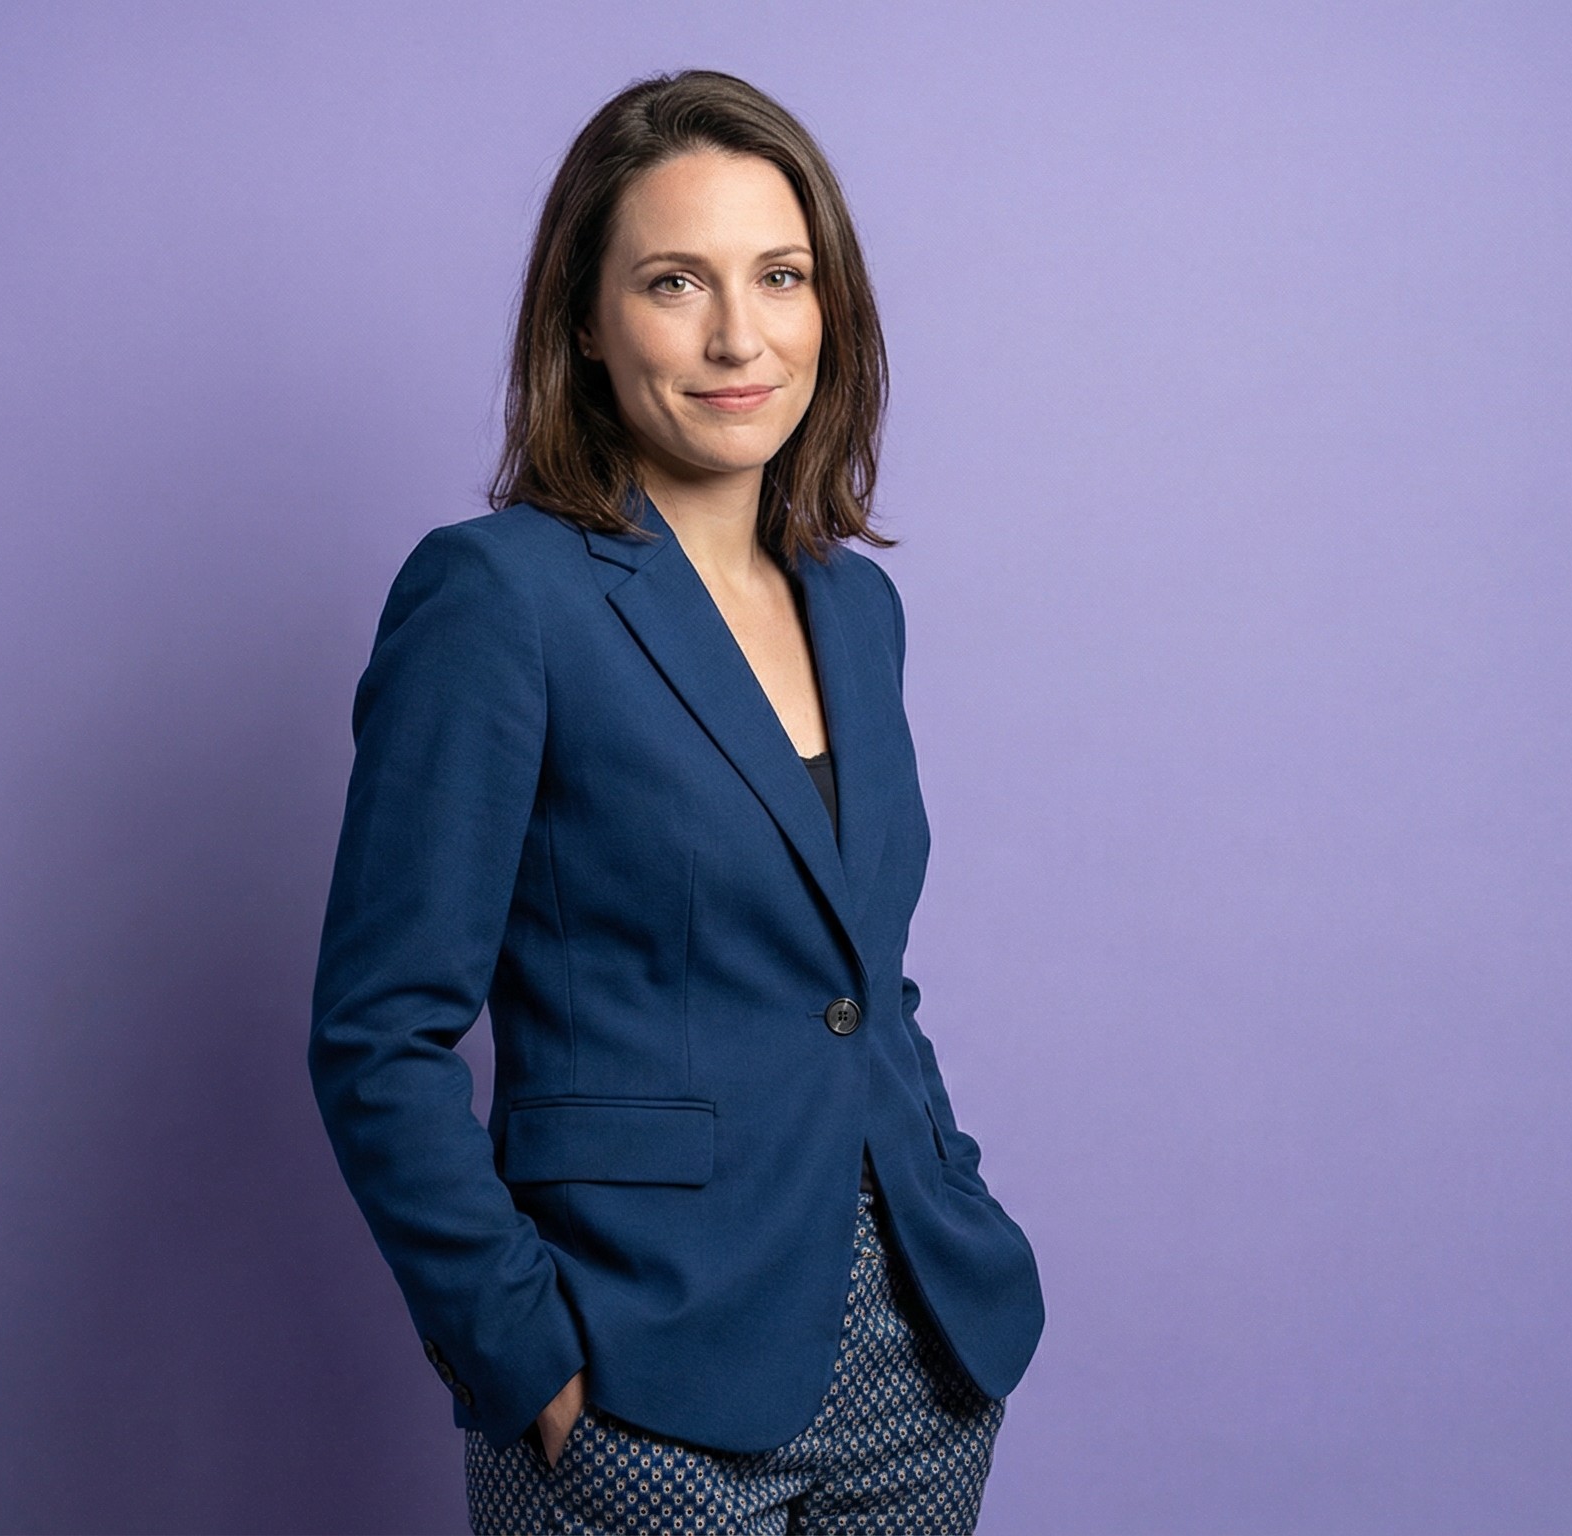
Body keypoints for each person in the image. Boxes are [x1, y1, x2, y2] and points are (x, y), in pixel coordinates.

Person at [309, 68, 1044, 1534]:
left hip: (921, 1361)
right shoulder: (496, 597)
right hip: (638, 1378)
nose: (737, 335)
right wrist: (523, 1356)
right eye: (672, 282)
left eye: (780, 276)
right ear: (585, 323)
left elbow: (859, 977)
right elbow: (377, 1033)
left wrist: (950, 1186)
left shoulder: (858, 610)